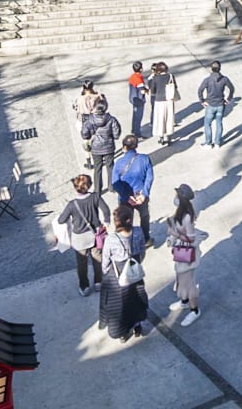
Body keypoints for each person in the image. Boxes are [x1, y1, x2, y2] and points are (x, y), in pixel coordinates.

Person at [99, 204, 148, 343]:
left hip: (118, 274)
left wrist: (106, 274)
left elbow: (105, 260)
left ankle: (122, 332)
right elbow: (143, 251)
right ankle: (137, 326)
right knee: (136, 300)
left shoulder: (112, 239)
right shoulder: (138, 232)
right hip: (134, 269)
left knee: (120, 305)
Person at [57, 174, 110, 297]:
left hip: (79, 237)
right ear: (90, 185)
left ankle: (84, 286)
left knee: (82, 264)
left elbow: (61, 220)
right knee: (97, 260)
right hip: (95, 234)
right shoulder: (95, 197)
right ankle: (98, 282)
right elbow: (106, 210)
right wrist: (106, 223)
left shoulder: (72, 204)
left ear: (76, 188)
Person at [167, 183, 204, 328]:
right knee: (180, 279)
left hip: (187, 253)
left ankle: (194, 310)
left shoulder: (187, 216)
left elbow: (190, 238)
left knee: (188, 283)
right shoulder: (181, 212)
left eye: (176, 195)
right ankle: (184, 301)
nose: (174, 197)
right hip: (181, 250)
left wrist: (174, 234)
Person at [112, 134, 154, 244]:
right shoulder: (145, 159)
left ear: (124, 147)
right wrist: (144, 193)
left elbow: (115, 183)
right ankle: (146, 239)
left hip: (125, 197)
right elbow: (149, 178)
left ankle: (126, 241)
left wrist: (126, 196)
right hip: (140, 195)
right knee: (144, 216)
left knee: (125, 219)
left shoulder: (119, 163)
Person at [81, 99, 121, 194]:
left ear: (95, 107)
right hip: (109, 147)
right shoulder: (112, 119)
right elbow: (116, 134)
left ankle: (97, 190)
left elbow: (84, 134)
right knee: (110, 167)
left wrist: (90, 135)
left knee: (97, 168)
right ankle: (112, 187)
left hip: (95, 147)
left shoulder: (90, 120)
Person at [198, 60, 234, 149]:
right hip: (221, 104)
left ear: (211, 69)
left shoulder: (207, 80)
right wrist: (228, 99)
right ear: (220, 69)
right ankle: (217, 142)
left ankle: (208, 143)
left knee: (208, 124)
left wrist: (202, 101)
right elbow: (231, 88)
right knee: (219, 123)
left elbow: (200, 90)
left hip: (210, 104)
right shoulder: (224, 79)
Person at [149, 61, 178, 146]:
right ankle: (168, 138)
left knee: (160, 119)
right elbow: (175, 86)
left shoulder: (155, 78)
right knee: (169, 118)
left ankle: (161, 137)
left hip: (159, 101)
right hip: (169, 100)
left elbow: (153, 90)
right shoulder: (171, 76)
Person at [128, 61, 148, 137]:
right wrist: (147, 90)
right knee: (138, 117)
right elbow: (142, 91)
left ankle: (133, 130)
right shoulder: (139, 78)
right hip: (139, 100)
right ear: (140, 69)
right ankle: (137, 133)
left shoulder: (132, 76)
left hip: (133, 98)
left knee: (135, 115)